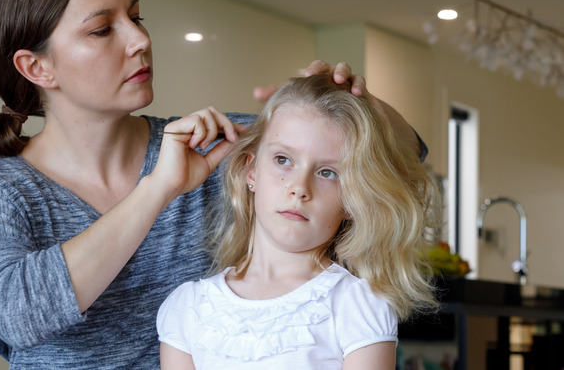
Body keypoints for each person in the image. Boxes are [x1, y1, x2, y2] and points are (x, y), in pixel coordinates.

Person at [0, 0, 426, 370]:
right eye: (102, 29)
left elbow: (404, 153)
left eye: (137, 17)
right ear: (36, 67)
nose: (139, 40)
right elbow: (16, 315)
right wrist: (158, 187)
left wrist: (354, 100)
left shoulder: (221, 146)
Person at [156, 74, 441, 370]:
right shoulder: (186, 308)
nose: (300, 188)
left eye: (328, 173)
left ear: (351, 201)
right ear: (250, 171)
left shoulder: (357, 306)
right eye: (283, 160)